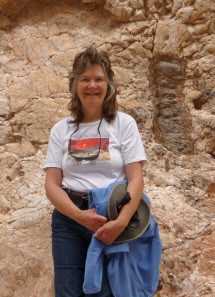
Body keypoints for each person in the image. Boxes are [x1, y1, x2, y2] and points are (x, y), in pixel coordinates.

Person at [44, 47, 151, 297]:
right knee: (67, 291)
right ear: (75, 85)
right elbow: (51, 185)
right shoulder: (61, 129)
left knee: (107, 291)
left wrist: (121, 221)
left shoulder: (124, 124)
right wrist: (79, 216)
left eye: (99, 79)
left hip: (111, 215)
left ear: (108, 84)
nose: (92, 85)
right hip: (69, 219)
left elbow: (136, 178)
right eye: (85, 79)